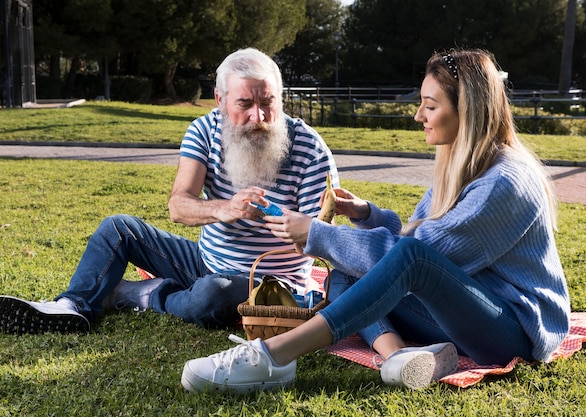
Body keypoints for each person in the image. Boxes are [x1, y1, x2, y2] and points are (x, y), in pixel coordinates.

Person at [180, 48, 571, 392]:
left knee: (400, 258)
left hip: (511, 332)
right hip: (458, 317)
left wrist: (316, 234)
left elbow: (421, 257)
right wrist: (367, 214)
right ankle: (397, 356)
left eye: (430, 105)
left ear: (466, 108)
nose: (419, 115)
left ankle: (273, 357)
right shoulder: (462, 164)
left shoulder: (507, 181)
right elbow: (414, 239)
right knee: (343, 271)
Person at [0, 47, 339, 334]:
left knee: (212, 297)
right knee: (117, 228)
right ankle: (72, 307)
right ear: (219, 99)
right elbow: (179, 205)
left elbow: (322, 240)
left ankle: (139, 294)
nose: (258, 117)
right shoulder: (203, 131)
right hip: (204, 262)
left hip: (269, 283)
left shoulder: (310, 148)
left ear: (280, 97)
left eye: (268, 103)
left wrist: (293, 225)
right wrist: (222, 208)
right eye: (245, 104)